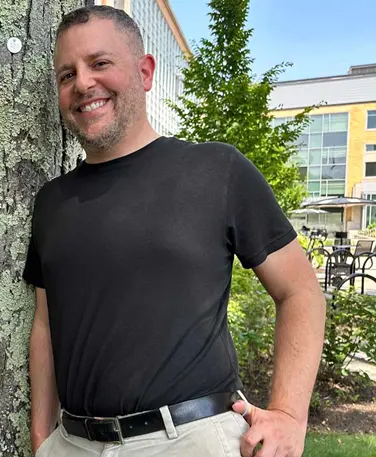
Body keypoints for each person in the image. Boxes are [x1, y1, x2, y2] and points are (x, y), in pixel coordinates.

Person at [24, 6, 326, 457]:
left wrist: (288, 414)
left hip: (189, 439)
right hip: (72, 444)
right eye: (67, 74)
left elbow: (300, 291)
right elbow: (46, 324)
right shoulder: (51, 202)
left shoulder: (216, 170)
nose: (83, 83)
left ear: (145, 71)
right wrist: (42, 435)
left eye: (100, 63)